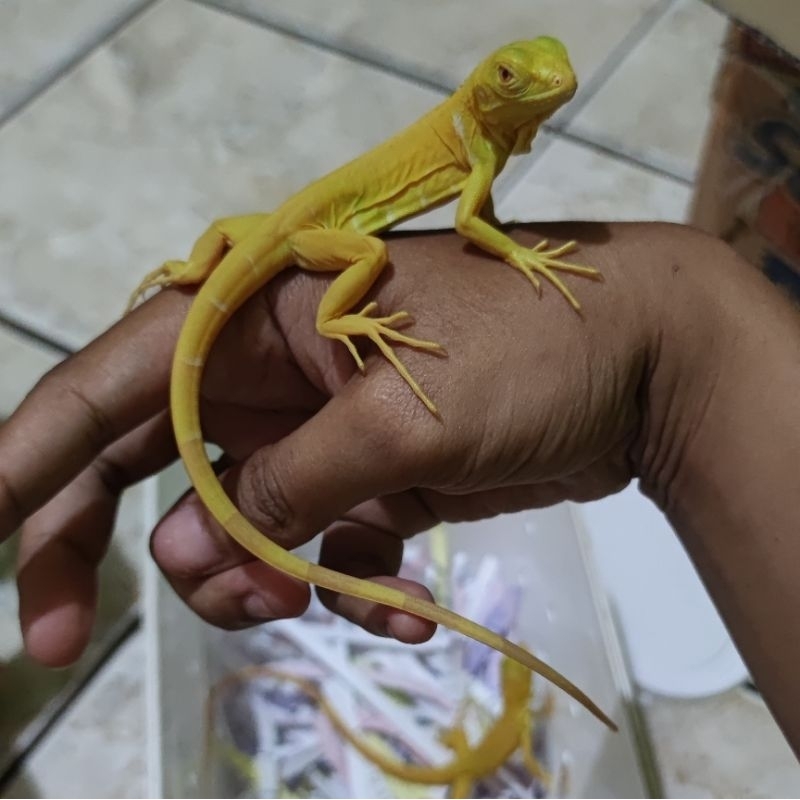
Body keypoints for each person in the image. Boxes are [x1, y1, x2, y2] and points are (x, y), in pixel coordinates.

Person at [1, 221, 799, 756]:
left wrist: (666, 352)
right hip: (298, 259)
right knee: (367, 266)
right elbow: (464, 226)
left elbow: (470, 221)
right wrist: (668, 351)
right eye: (518, 80)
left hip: (271, 253)